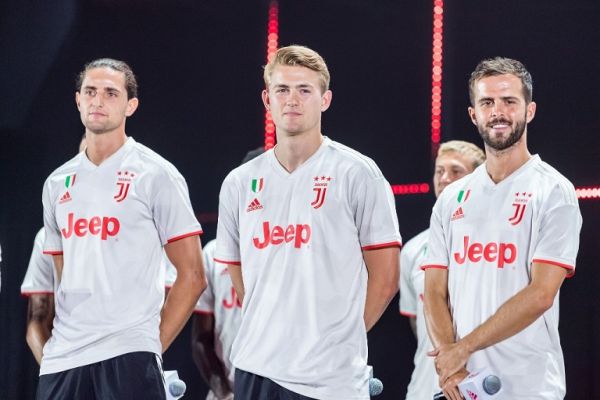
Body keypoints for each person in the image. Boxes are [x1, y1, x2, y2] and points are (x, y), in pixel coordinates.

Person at [215, 45, 401, 400]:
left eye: (305, 90)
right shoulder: (238, 182)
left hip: (331, 378)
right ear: (267, 100)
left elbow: (387, 278)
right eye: (282, 90)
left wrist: (341, 337)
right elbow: (238, 275)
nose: (292, 100)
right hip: (256, 367)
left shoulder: (357, 173)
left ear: (325, 99)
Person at [38, 58, 206, 399]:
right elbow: (63, 275)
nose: (98, 100)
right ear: (78, 100)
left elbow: (192, 275)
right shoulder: (57, 182)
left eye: (111, 93)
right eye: (90, 91)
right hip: (63, 358)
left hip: (129, 352)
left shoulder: (156, 174)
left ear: (131, 105)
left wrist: (149, 345)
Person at [422, 57, 582, 400]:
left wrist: (462, 348)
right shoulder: (451, 198)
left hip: (529, 387)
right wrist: (452, 360)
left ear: (530, 110)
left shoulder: (554, 190)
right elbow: (434, 291)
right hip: (461, 386)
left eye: (509, 101)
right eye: (487, 102)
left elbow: (541, 295)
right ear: (473, 114)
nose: (498, 111)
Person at [399, 140, 484, 400]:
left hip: (485, 384)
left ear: (478, 179)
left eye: (456, 171)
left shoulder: (497, 244)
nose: (445, 178)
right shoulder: (413, 250)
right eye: (440, 171)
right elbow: (417, 322)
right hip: (425, 389)